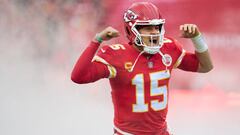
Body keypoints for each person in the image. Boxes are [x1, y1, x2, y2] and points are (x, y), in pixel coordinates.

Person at [71, 2, 213, 135]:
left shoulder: (168, 48)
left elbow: (205, 66)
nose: (154, 32)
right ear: (131, 30)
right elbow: (78, 76)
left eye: (156, 27)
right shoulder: (117, 55)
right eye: (147, 28)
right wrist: (96, 41)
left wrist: (197, 38)